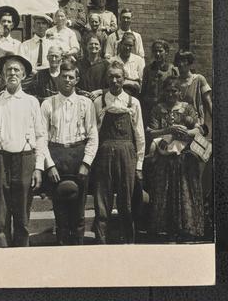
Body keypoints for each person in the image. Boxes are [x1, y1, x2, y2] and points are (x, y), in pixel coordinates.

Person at [0, 55, 45, 247]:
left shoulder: (32, 102)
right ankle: (3, 256)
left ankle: (22, 257)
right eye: (8, 70)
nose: (12, 73)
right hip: (0, 160)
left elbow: (41, 136)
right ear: (2, 75)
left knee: (22, 214)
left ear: (24, 74)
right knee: (1, 214)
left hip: (25, 159)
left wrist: (38, 167)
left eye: (17, 70)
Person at [41, 60, 98, 245]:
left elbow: (93, 135)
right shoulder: (48, 104)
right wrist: (49, 165)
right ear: (58, 78)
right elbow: (41, 137)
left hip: (78, 154)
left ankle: (78, 248)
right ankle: (62, 247)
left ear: (77, 80)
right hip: (56, 154)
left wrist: (86, 163)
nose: (67, 80)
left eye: (71, 77)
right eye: (63, 76)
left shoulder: (86, 103)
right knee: (60, 210)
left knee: (78, 210)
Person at [146, 76, 205, 242]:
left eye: (175, 91)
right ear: (164, 92)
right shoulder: (158, 109)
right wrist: (169, 129)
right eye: (168, 91)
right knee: (165, 191)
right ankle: (166, 229)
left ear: (180, 92)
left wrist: (184, 132)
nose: (171, 94)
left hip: (184, 158)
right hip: (164, 158)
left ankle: (187, 229)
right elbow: (151, 132)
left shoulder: (187, 108)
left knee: (185, 191)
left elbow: (198, 130)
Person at [92, 61, 145, 244]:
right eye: (111, 77)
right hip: (104, 152)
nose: (115, 80)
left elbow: (140, 135)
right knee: (102, 198)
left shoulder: (133, 102)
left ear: (124, 79)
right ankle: (101, 240)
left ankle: (128, 240)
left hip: (127, 152)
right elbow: (94, 131)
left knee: (127, 200)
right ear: (106, 78)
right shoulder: (99, 101)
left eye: (118, 77)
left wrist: (139, 165)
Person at [141, 39, 179, 126]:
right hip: (149, 107)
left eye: (160, 51)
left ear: (166, 52)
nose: (157, 54)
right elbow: (144, 90)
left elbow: (175, 90)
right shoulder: (147, 69)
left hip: (165, 108)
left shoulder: (172, 69)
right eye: (155, 51)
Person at [174, 50, 212, 128]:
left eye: (184, 61)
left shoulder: (199, 79)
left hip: (196, 123)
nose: (181, 64)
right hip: (179, 123)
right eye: (179, 61)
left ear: (190, 63)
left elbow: (208, 103)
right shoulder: (174, 82)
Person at [110, 32, 145, 98]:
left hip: (135, 94)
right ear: (121, 44)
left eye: (130, 45)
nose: (127, 48)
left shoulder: (139, 60)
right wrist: (131, 82)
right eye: (125, 45)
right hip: (116, 95)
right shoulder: (112, 60)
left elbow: (142, 81)